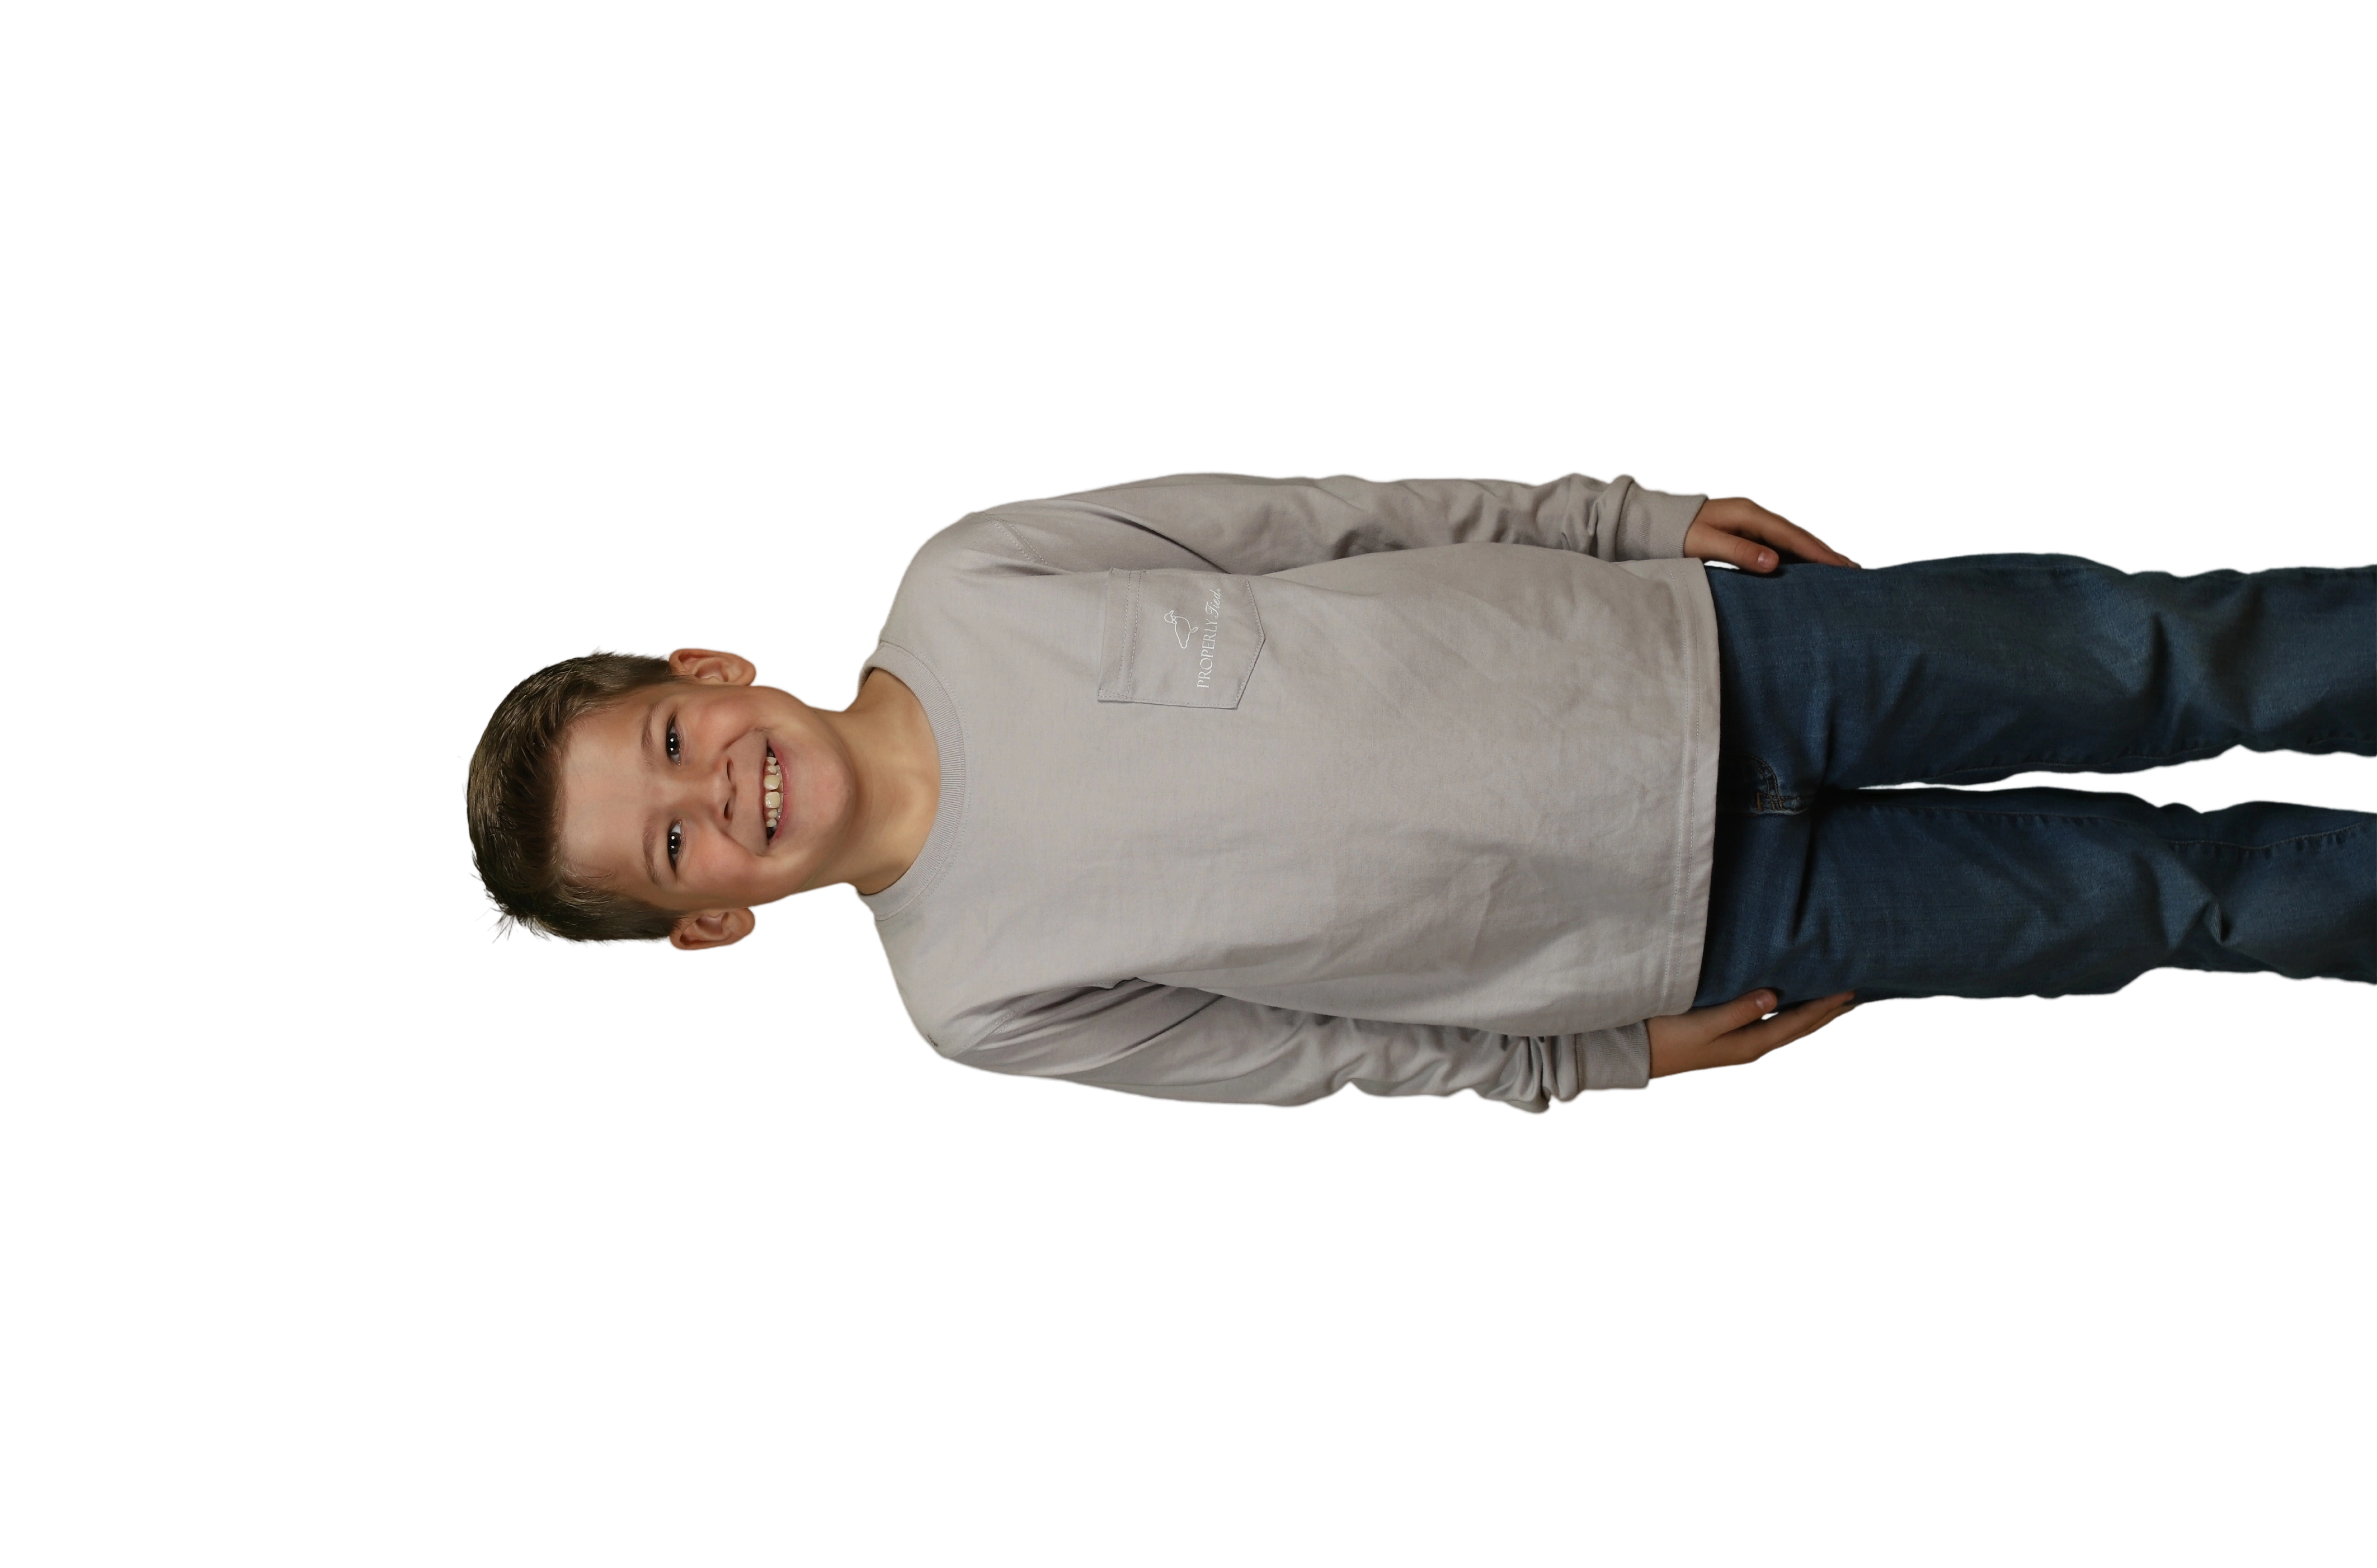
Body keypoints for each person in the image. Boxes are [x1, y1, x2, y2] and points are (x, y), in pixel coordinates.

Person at [458, 470, 2377, 1115]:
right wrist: (1594, 1060)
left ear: (710, 671)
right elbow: (1306, 1055)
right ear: (716, 918)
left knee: (2161, 653)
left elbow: (1325, 523)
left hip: (1725, 656)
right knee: (2173, 900)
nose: (719, 792)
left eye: (672, 743)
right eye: (674, 846)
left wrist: (1617, 522)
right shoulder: (975, 999)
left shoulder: (975, 577)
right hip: (1711, 932)